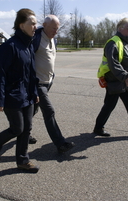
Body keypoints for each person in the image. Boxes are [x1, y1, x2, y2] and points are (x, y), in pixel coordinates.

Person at [0, 8, 40, 173]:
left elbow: (31, 73)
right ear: (21, 25)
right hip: (12, 96)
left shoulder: (28, 46)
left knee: (27, 128)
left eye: (36, 23)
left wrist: (35, 92)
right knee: (17, 128)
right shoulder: (9, 47)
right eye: (32, 23)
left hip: (27, 95)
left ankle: (23, 161)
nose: (35, 27)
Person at [30, 15, 75, 153]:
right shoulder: (35, 38)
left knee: (32, 109)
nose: (56, 31)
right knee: (49, 111)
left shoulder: (52, 39)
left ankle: (22, 132)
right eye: (53, 28)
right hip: (37, 83)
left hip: (47, 81)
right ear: (44, 25)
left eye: (57, 28)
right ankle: (60, 143)